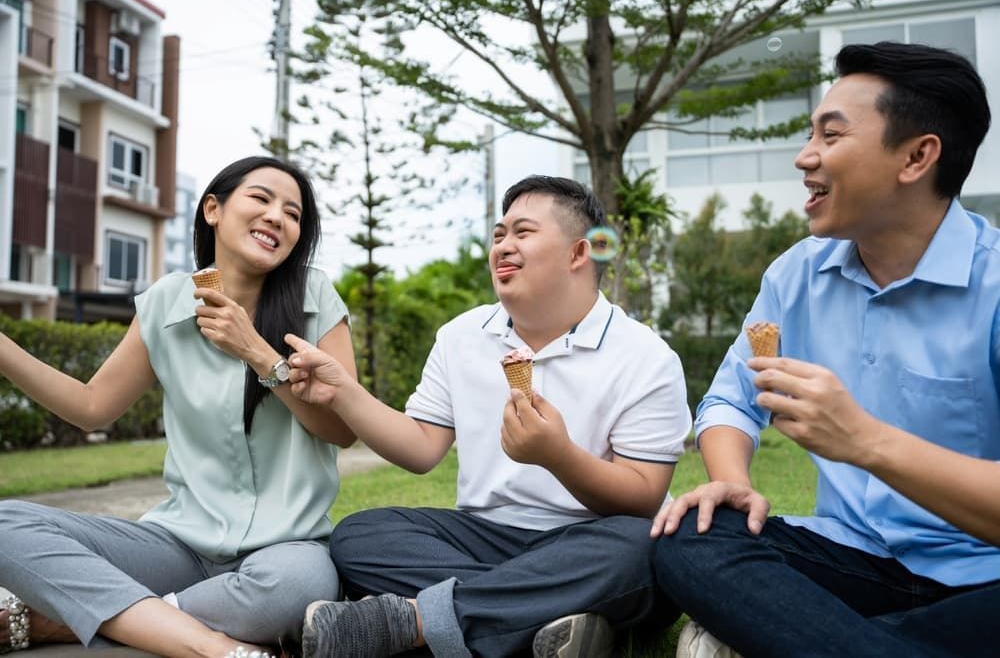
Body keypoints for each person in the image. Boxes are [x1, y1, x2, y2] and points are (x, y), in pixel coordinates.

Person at [651, 41, 1000, 657]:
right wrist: (732, 479)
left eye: (830, 136)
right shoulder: (796, 275)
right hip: (850, 557)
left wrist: (866, 441)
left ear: (917, 156)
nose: (804, 157)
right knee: (692, 535)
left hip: (984, 574)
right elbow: (732, 399)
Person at [283, 175, 692, 658]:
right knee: (360, 535)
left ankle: (414, 621)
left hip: (594, 537)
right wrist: (344, 393)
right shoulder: (461, 336)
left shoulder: (646, 355)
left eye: (523, 232)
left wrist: (557, 456)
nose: (503, 246)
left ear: (579, 253)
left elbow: (644, 497)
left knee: (645, 548)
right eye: (499, 235)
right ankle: (550, 617)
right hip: (484, 536)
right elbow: (419, 447)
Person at [0, 156, 358, 657]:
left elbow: (343, 430)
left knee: (298, 588)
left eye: (294, 213)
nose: (278, 217)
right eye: (262, 198)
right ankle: (208, 643)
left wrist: (256, 351)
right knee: (6, 524)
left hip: (286, 549)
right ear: (213, 208)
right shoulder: (167, 300)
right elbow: (92, 407)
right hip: (178, 545)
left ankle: (67, 624)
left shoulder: (314, 295)